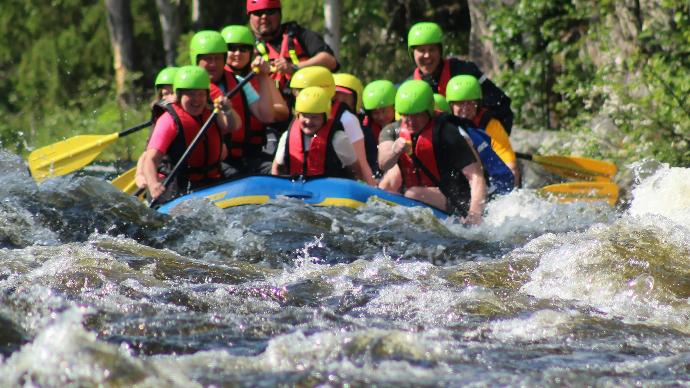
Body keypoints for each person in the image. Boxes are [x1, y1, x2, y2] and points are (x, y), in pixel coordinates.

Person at [377, 80, 487, 224]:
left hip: (454, 198)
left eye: (416, 115)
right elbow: (383, 164)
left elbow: (476, 177)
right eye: (405, 115)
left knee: (413, 193)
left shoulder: (447, 132)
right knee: (387, 183)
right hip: (416, 193)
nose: (410, 121)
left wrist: (474, 213)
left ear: (428, 111)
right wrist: (395, 150)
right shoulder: (392, 130)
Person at [138, 66, 241, 201]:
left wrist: (228, 110)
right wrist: (153, 185)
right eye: (190, 94)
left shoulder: (211, 112)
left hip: (210, 183)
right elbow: (150, 159)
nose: (196, 100)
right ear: (179, 95)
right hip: (177, 186)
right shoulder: (169, 120)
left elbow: (234, 126)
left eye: (200, 94)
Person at [189, 30, 275, 176]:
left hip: (242, 157)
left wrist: (263, 77)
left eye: (218, 58)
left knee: (278, 170)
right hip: (208, 161)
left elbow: (266, 116)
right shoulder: (185, 91)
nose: (213, 64)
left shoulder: (238, 83)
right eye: (208, 59)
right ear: (196, 60)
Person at [407, 21, 514, 134]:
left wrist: (490, 142)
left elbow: (502, 105)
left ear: (440, 51)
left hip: (476, 139)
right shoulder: (410, 87)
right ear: (412, 53)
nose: (427, 55)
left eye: (432, 49)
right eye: (421, 50)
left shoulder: (465, 71)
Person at [289, 67, 377, 186]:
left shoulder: (347, 119)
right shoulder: (301, 117)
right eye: (296, 92)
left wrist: (371, 192)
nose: (301, 97)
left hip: (334, 187)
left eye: (303, 91)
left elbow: (361, 164)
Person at [221, 24, 289, 172]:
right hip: (227, 156)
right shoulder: (218, 80)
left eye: (243, 49)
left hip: (256, 150)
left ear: (251, 52)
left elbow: (283, 112)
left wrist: (258, 109)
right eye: (231, 48)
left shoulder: (259, 75)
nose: (237, 53)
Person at [246, 0, 339, 97]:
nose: (264, 17)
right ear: (250, 18)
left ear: (279, 14)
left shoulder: (299, 34)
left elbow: (330, 61)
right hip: (273, 107)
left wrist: (293, 68)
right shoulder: (245, 48)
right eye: (258, 13)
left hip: (309, 103)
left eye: (270, 12)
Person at [446, 74, 520, 189]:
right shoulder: (445, 127)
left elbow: (511, 166)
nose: (465, 108)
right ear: (451, 106)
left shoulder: (491, 126)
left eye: (470, 103)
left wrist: (511, 197)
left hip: (486, 182)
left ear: (478, 104)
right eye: (460, 103)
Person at [271, 86, 360, 180]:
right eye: (304, 116)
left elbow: (356, 170)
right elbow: (276, 168)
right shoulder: (286, 137)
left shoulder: (338, 139)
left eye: (315, 117)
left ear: (325, 117)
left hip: (330, 192)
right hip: (296, 191)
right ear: (297, 116)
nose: (308, 121)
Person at [134, 67, 179, 189]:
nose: (170, 98)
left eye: (173, 92)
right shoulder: (163, 119)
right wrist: (139, 175)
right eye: (165, 94)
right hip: (164, 177)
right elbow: (146, 154)